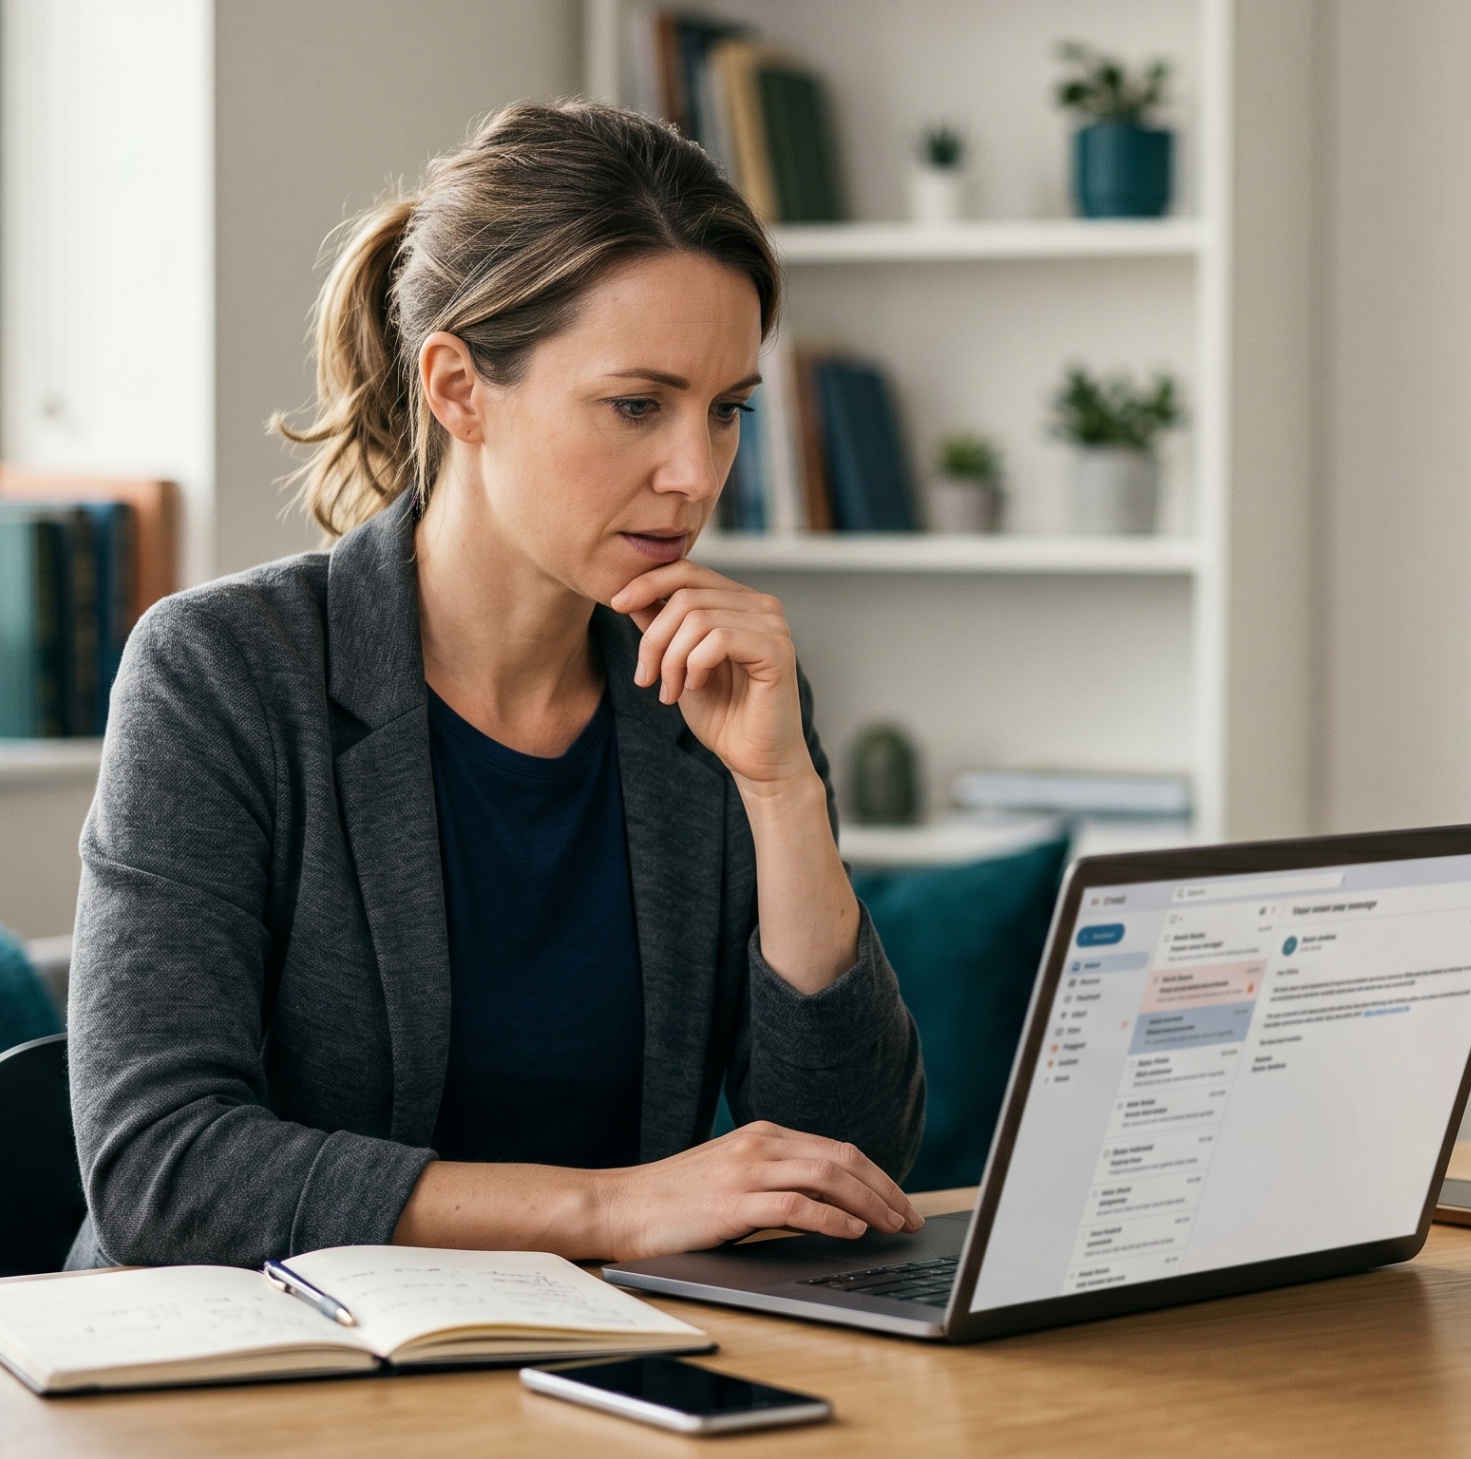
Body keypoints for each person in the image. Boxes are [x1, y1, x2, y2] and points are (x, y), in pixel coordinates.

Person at [63, 101, 925, 1270]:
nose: (694, 472)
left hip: (590, 1379)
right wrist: (608, 1209)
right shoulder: (220, 672)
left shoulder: (710, 691)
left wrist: (782, 795)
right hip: (248, 1382)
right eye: (637, 405)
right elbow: (163, 1169)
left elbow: (845, 1164)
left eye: (725, 412)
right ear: (459, 388)